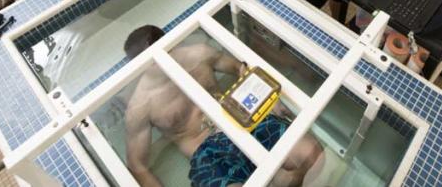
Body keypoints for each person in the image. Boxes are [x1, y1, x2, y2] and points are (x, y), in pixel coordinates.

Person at [122, 26, 324, 187]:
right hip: (207, 152)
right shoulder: (140, 106)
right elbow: (138, 167)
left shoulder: (198, 54)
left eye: (169, 49)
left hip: (239, 119)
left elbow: (239, 68)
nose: (165, 60)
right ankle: (275, 178)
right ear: (139, 66)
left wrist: (270, 101)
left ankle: (282, 180)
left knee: (314, 155)